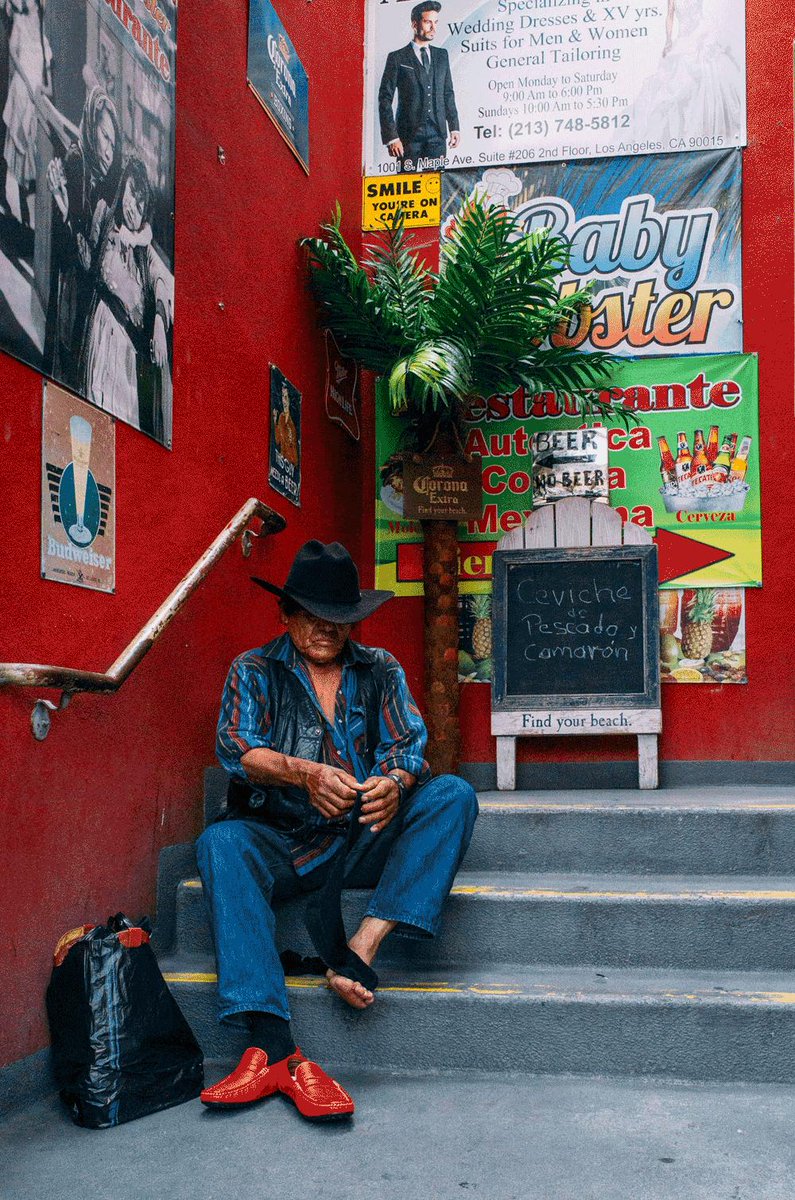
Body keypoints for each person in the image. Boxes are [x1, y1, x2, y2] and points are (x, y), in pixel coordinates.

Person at [197, 540, 478, 1120]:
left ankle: (361, 948)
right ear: (287, 614)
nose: (328, 628)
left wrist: (395, 783)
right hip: (286, 840)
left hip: (363, 840)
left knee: (453, 794)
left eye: (341, 618)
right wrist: (303, 773)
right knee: (220, 842)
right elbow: (237, 747)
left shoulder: (381, 669)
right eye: (314, 615)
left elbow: (411, 747)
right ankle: (271, 1043)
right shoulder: (254, 670)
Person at [80, 155, 170, 437]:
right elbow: (93, 262)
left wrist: (158, 319)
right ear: (123, 188)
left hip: (128, 350)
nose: (133, 207)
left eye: (141, 204)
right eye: (132, 193)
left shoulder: (145, 248)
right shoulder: (105, 218)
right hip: (102, 330)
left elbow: (162, 283)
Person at [44, 86, 121, 390]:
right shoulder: (77, 164)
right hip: (70, 292)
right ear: (91, 130)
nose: (108, 150)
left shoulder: (100, 180)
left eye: (113, 143)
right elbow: (73, 249)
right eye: (104, 137)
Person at [377, 0, 459, 171]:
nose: (433, 27)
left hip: (437, 134)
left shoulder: (441, 56)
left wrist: (454, 127)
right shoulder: (397, 58)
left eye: (435, 22)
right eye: (428, 22)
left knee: (435, 187)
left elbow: (448, 93)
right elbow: (385, 98)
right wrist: (392, 138)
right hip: (408, 136)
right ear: (415, 24)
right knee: (407, 187)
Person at [2, 0, 52, 227]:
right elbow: (13, 54)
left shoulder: (43, 35)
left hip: (35, 102)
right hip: (22, 94)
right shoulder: (20, 22)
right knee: (17, 155)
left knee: (30, 164)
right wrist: (26, 83)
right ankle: (19, 216)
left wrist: (42, 89)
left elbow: (49, 84)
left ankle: (29, 224)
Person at [273, 380, 298, 466]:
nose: (284, 401)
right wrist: (275, 421)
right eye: (283, 397)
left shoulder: (293, 423)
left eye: (286, 397)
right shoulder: (281, 418)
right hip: (283, 461)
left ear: (289, 400)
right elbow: (277, 440)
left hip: (293, 462)